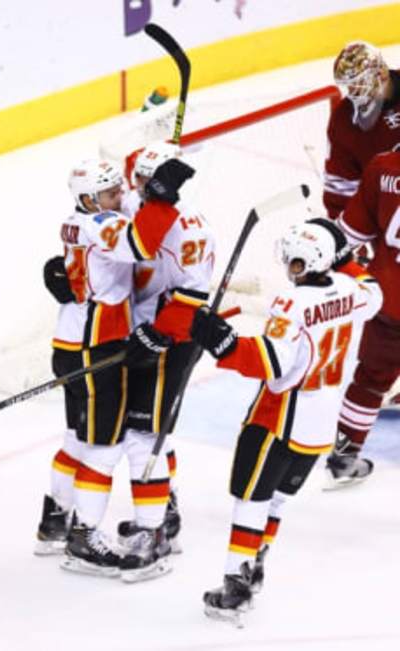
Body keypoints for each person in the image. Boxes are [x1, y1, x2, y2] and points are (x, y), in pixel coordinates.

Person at [190, 220, 382, 625]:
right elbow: (374, 291)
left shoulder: (291, 303)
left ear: (302, 263)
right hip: (321, 423)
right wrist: (343, 255)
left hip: (279, 418)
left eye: (293, 261)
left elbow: (270, 362)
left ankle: (236, 585)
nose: (288, 268)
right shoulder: (353, 291)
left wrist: (223, 342)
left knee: (251, 500)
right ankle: (256, 565)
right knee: (275, 500)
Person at [34, 156, 195, 582]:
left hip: (71, 342)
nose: (118, 197)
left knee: (76, 439)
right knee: (104, 447)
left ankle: (54, 522)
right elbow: (142, 243)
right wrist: (161, 200)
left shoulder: (78, 219)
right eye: (109, 193)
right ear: (89, 198)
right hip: (96, 348)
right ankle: (84, 538)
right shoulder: (99, 223)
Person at [117, 140, 215, 555]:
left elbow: (194, 295)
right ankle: (164, 506)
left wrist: (159, 334)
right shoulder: (140, 207)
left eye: (143, 179)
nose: (133, 185)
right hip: (143, 332)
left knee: (143, 433)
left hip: (169, 340)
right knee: (153, 430)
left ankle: (151, 533)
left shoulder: (190, 228)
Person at [325, 151, 400, 485]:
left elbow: (350, 235)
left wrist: (323, 239)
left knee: (370, 379)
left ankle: (344, 456)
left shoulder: (384, 165)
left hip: (388, 300)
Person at [323, 40, 400, 220]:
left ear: (381, 74)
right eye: (349, 85)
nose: (352, 91)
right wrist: (344, 235)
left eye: (360, 82)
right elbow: (341, 186)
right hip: (387, 223)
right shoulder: (343, 120)